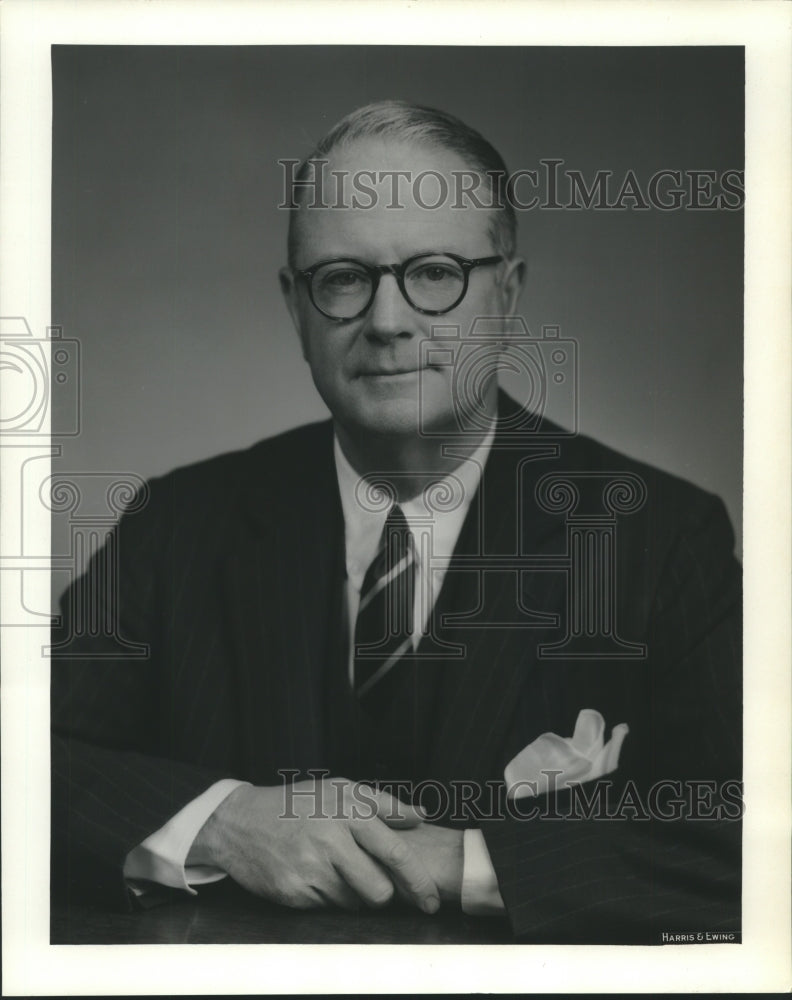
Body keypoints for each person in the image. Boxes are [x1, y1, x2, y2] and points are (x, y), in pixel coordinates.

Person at [51, 100, 742, 943]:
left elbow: (752, 832)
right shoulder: (177, 526)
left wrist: (471, 862)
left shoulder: (660, 538)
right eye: (343, 279)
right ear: (294, 308)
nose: (386, 321)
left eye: (435, 272)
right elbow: (26, 756)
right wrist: (221, 821)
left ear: (509, 292)